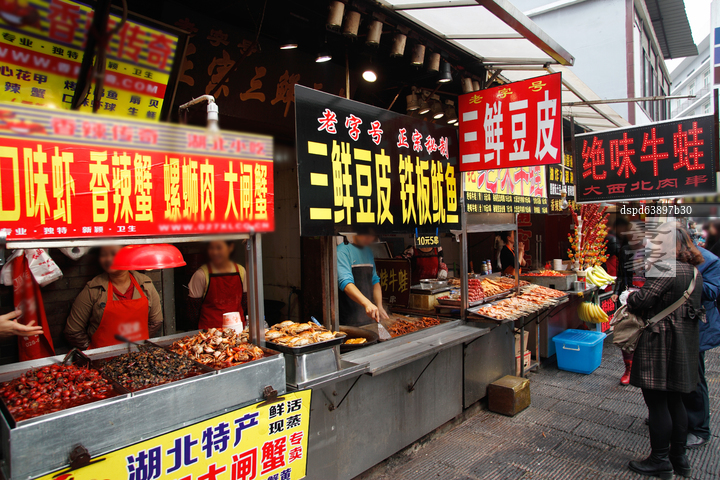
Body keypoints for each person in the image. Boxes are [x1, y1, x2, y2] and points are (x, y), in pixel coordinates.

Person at [626, 227, 704, 479]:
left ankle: (659, 459)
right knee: (676, 400)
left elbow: (642, 301)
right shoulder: (693, 271)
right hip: (684, 342)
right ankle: (678, 457)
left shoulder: (665, 267)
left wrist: (629, 297)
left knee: (657, 402)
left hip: (660, 341)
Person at [65, 245, 163, 349]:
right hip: (104, 357)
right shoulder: (94, 288)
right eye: (104, 255)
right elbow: (73, 331)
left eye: (114, 254)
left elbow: (156, 321)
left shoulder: (145, 284)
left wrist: (141, 344)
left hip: (138, 355)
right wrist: (92, 351)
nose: (108, 259)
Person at [683, 245, 720, 449]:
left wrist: (685, 277)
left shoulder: (710, 260)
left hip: (697, 326)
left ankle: (699, 429)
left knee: (694, 377)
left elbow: (712, 291)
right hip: (674, 325)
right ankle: (676, 415)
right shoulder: (666, 257)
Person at [187, 241, 247, 330]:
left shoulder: (241, 271)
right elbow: (193, 309)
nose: (214, 252)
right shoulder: (201, 274)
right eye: (211, 248)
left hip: (237, 329)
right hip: (209, 332)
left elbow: (245, 301)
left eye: (219, 248)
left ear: (230, 248)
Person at [337, 235, 388, 326]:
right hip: (349, 320)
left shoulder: (368, 251)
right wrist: (367, 304)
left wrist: (379, 306)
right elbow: (346, 283)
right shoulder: (342, 251)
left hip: (369, 317)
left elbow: (375, 281)